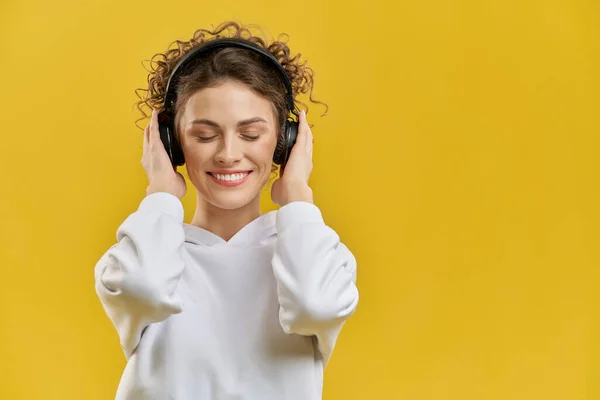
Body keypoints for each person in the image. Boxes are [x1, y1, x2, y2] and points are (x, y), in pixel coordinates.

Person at [94, 21, 359, 400]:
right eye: (205, 135)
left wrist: (298, 194)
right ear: (172, 143)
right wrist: (161, 194)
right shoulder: (142, 252)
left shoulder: (317, 256)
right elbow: (146, 289)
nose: (229, 153)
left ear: (285, 142)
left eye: (251, 134)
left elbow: (313, 304)